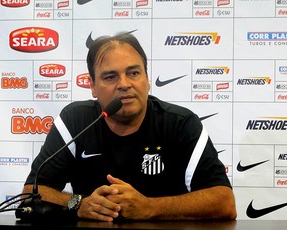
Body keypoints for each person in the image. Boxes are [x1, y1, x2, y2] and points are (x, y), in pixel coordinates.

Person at [22, 32, 237, 222]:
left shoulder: (180, 123)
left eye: (134, 73)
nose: (124, 84)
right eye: (110, 77)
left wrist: (149, 207)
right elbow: (30, 195)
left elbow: (224, 202)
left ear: (147, 79)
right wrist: (80, 204)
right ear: (93, 86)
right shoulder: (75, 122)